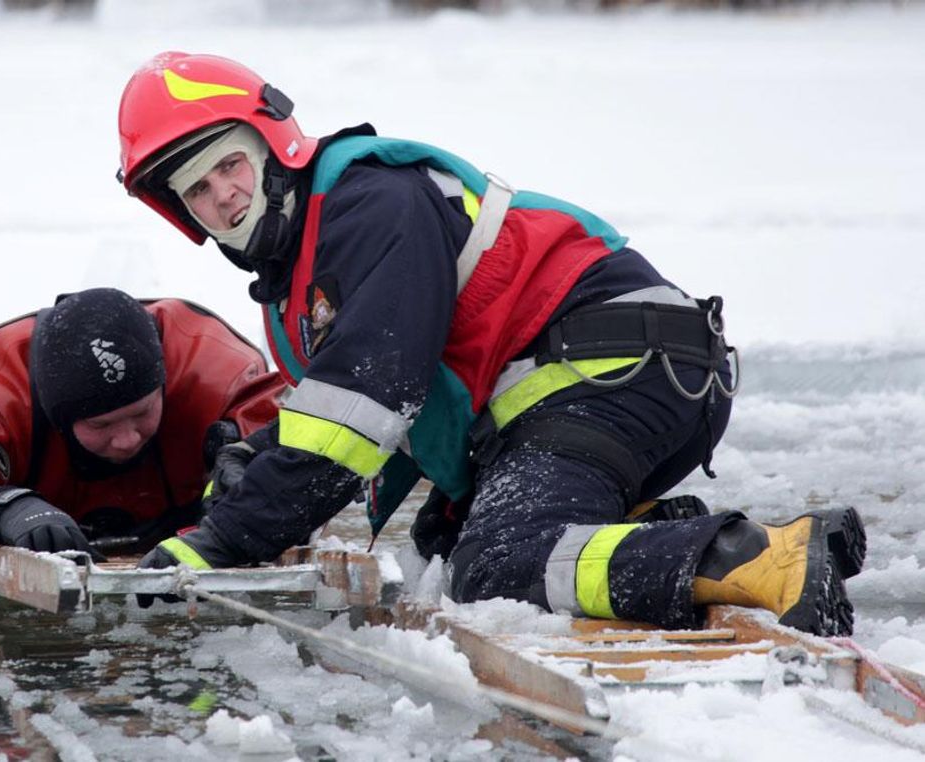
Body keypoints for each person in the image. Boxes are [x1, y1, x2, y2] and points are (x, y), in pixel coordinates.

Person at [114, 52, 865, 635]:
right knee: (446, 547)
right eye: (199, 192)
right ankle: (685, 543)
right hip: (600, 381)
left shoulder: (369, 205)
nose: (225, 196)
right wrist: (260, 461)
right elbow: (356, 391)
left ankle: (761, 559)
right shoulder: (308, 260)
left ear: (271, 141)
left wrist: (226, 542)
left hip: (611, 372)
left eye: (229, 165)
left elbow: (370, 402)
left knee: (495, 564)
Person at [0, 287, 284, 562]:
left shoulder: (209, 365)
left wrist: (248, 464)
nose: (128, 438)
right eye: (102, 423)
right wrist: (0, 508)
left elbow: (290, 433)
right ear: (60, 418)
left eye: (141, 413)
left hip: (165, 504)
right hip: (21, 470)